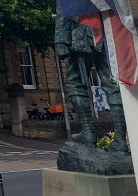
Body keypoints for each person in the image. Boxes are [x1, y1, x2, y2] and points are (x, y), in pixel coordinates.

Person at [55, 12, 128, 153]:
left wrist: (60, 39)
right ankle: (120, 139)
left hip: (83, 30)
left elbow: (65, 2)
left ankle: (88, 132)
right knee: (113, 85)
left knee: (74, 81)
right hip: (109, 30)